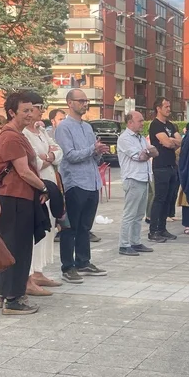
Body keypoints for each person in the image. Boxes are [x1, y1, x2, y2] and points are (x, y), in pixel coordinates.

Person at [0, 91, 49, 314]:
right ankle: (13, 299)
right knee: (17, 248)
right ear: (11, 112)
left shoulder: (16, 134)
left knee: (11, 247)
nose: (29, 114)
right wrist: (44, 187)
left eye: (31, 110)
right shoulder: (12, 137)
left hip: (16, 198)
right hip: (15, 199)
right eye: (24, 111)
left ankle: (5, 294)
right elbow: (24, 172)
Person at [54, 89, 110, 283]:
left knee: (85, 227)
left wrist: (99, 151)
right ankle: (68, 267)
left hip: (92, 182)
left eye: (86, 101)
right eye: (81, 101)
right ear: (69, 103)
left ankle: (83, 262)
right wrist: (92, 149)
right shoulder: (63, 128)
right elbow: (69, 155)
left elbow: (92, 157)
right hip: (75, 183)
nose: (85, 104)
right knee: (70, 227)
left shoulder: (87, 127)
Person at [23, 93, 62, 294]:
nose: (41, 111)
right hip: (37, 187)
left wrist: (49, 156)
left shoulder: (41, 131)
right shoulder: (24, 133)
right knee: (36, 231)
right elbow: (33, 163)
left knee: (48, 229)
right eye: (38, 107)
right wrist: (49, 158)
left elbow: (59, 152)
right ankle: (28, 275)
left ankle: (39, 271)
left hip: (50, 186)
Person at [117, 110, 157, 256]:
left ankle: (135, 241)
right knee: (130, 213)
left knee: (139, 213)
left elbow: (154, 152)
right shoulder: (125, 138)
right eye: (139, 121)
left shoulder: (140, 138)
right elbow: (139, 156)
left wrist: (147, 152)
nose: (142, 123)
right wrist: (147, 152)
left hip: (144, 177)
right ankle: (124, 244)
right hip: (133, 178)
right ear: (130, 122)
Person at [148, 97, 181, 243]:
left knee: (169, 199)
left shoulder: (170, 125)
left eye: (169, 106)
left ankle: (162, 228)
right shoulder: (155, 125)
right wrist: (171, 141)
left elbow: (180, 141)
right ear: (158, 108)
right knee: (160, 199)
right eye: (166, 106)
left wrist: (172, 141)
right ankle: (154, 230)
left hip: (172, 165)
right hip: (160, 166)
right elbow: (167, 143)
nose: (169, 109)